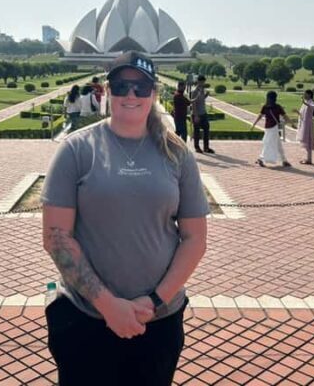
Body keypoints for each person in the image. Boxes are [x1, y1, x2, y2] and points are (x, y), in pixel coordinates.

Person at [42, 51, 208, 386]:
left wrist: (153, 301)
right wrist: (108, 306)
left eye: (140, 87)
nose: (130, 95)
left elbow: (195, 238)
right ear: (108, 91)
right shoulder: (77, 149)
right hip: (86, 318)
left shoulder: (176, 153)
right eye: (121, 86)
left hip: (158, 319)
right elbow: (56, 236)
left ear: (153, 93)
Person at [251, 90, 292, 167]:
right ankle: (261, 159)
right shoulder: (277, 107)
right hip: (273, 128)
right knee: (269, 144)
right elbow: (285, 117)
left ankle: (284, 160)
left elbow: (259, 116)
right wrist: (292, 123)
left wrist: (254, 124)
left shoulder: (265, 106)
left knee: (275, 144)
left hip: (269, 128)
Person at [190, 75, 214, 154]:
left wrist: (206, 95)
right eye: (202, 82)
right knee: (197, 132)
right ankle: (197, 147)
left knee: (206, 129)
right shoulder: (194, 91)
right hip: (197, 114)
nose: (203, 83)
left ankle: (206, 147)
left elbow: (201, 99)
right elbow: (194, 103)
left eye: (203, 82)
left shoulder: (202, 90)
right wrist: (196, 115)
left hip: (203, 113)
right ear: (198, 81)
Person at [296, 90, 314, 164]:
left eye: (305, 94)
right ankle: (307, 158)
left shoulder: (311, 102)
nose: (304, 95)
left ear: (309, 95)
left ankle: (309, 159)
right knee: (305, 141)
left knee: (308, 141)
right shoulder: (305, 103)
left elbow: (312, 107)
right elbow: (302, 114)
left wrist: (304, 103)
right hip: (304, 124)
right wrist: (297, 112)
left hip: (308, 125)